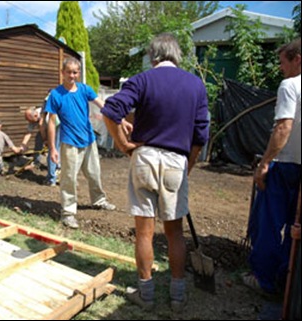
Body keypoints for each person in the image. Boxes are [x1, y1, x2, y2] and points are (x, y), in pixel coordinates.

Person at [101, 33, 210, 312]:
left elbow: (111, 110)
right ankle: (177, 297)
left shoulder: (143, 79)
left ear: (153, 56)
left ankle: (146, 295)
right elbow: (200, 135)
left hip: (145, 157)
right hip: (176, 161)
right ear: (177, 55)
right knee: (174, 233)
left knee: (145, 233)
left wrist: (122, 143)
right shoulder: (195, 85)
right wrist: (189, 166)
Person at [244, 37, 301, 295]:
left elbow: (283, 127)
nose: (281, 68)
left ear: (297, 60)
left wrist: (265, 163)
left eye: (282, 62)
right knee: (295, 228)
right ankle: (287, 280)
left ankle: (264, 280)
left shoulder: (290, 85)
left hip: (286, 165)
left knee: (267, 223)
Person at [45, 57, 117, 229]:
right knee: (68, 178)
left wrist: (118, 117)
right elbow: (50, 122)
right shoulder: (55, 95)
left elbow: (102, 105)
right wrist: (53, 148)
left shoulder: (85, 89)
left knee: (94, 173)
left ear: (79, 73)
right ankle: (68, 213)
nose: (72, 75)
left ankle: (99, 200)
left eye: (75, 72)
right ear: (62, 73)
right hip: (69, 142)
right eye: (68, 72)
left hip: (89, 140)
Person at [21, 90, 61, 186]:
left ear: (35, 115)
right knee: (38, 139)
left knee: (53, 149)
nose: (31, 123)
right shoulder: (35, 116)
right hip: (47, 127)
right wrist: (23, 145)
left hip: (56, 127)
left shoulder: (44, 110)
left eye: (31, 120)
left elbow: (41, 124)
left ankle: (54, 174)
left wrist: (46, 140)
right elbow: (28, 132)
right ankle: (36, 161)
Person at [0, 118, 22, 183]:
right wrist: (21, 148)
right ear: (0, 125)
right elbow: (15, 150)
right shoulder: (3, 135)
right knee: (0, 164)